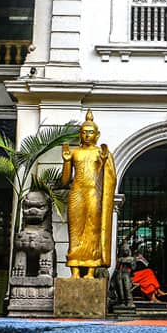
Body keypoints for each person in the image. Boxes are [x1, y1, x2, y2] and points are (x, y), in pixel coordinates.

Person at [61, 110, 117, 278]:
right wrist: (66, 162)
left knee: (92, 230)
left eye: (90, 132)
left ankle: (91, 270)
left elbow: (109, 177)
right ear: (80, 134)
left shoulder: (100, 153)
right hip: (77, 192)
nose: (87, 135)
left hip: (93, 193)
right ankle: (75, 270)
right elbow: (65, 181)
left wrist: (105, 160)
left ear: (97, 135)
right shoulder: (75, 152)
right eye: (84, 132)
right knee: (75, 232)